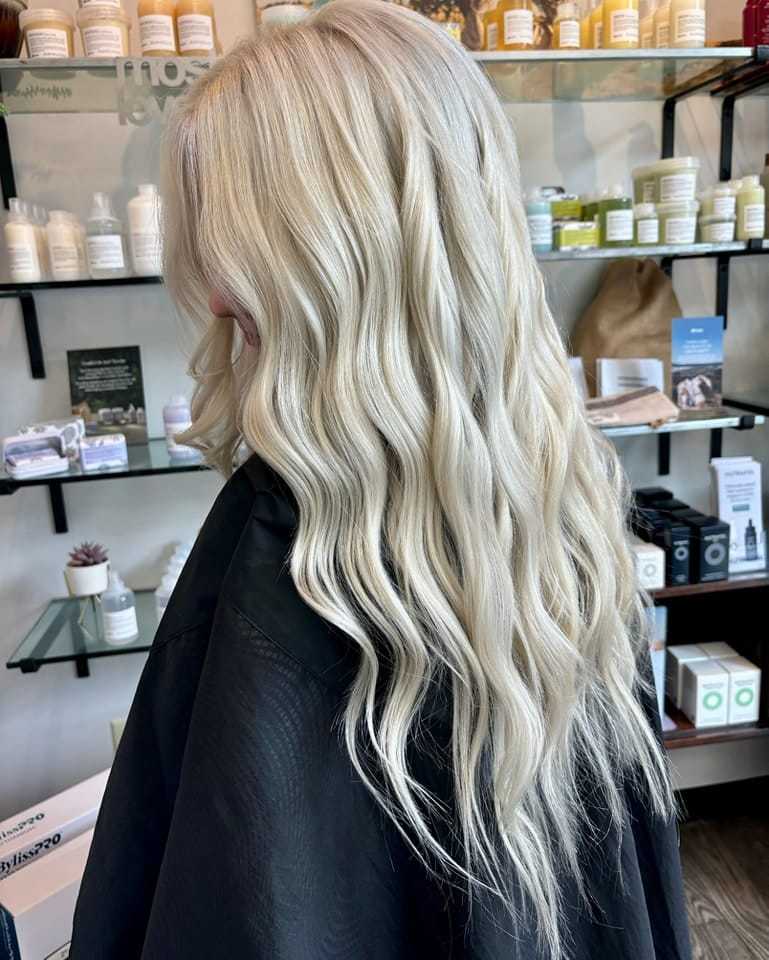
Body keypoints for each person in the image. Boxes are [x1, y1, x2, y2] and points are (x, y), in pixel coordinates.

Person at [70, 2, 691, 958]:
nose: (218, 291)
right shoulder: (554, 498)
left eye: (229, 244)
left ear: (326, 259)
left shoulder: (291, 544)